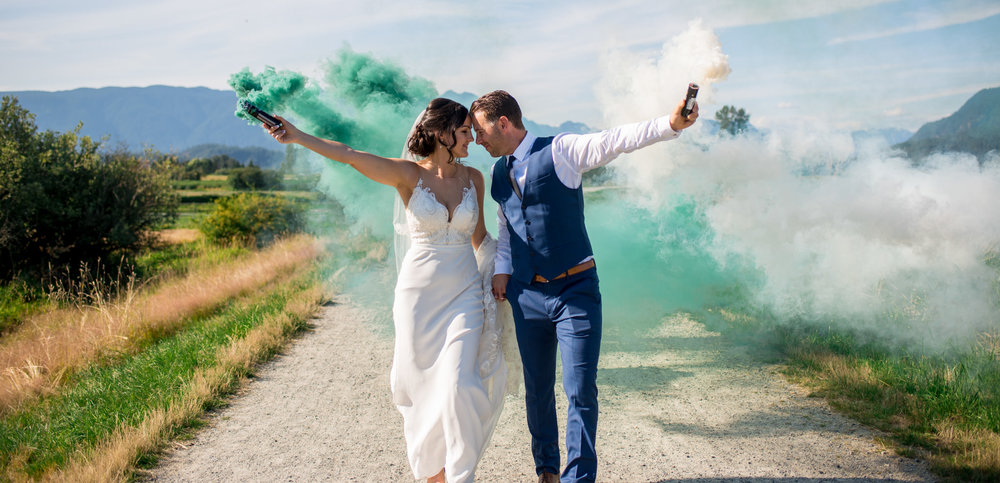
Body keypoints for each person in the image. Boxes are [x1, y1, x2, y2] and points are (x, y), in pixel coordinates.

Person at [265, 98, 506, 483]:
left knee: (460, 386)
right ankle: (434, 475)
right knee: (421, 392)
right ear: (443, 134)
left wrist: (508, 267)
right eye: (463, 132)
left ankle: (462, 477)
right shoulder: (408, 175)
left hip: (464, 295)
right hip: (418, 300)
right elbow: (348, 156)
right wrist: (295, 136)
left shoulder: (474, 179)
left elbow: (480, 239)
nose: (470, 140)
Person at [469, 90, 699, 483]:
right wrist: (502, 270)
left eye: (480, 131)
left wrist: (670, 125)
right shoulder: (496, 172)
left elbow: (615, 140)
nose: (477, 140)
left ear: (502, 123)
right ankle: (547, 471)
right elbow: (506, 226)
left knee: (580, 390)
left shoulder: (562, 151)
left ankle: (579, 479)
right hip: (527, 297)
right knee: (537, 390)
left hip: (574, 291)